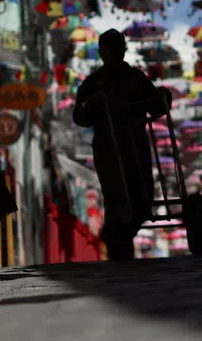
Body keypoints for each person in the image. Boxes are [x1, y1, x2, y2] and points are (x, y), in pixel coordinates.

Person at [73, 29, 170, 260]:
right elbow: (79, 116)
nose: (113, 54)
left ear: (124, 50)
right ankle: (118, 241)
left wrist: (162, 97)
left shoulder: (136, 78)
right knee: (115, 195)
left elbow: (157, 106)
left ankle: (124, 235)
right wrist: (91, 104)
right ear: (101, 52)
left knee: (142, 192)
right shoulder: (92, 83)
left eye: (117, 49)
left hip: (135, 145)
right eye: (109, 49)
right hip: (107, 149)